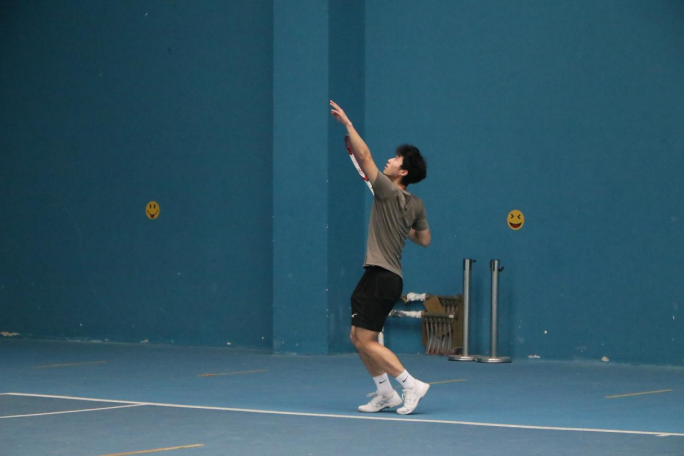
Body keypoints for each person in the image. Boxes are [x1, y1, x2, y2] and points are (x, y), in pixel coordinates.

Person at [330, 100, 432, 415]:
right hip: (384, 276)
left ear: (402, 172)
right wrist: (401, 226)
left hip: (381, 275)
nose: (390, 159)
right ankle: (386, 393)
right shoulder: (415, 204)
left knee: (367, 341)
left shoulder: (387, 190)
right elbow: (424, 240)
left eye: (396, 158)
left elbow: (365, 156)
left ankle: (411, 384)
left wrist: (348, 124)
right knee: (358, 337)